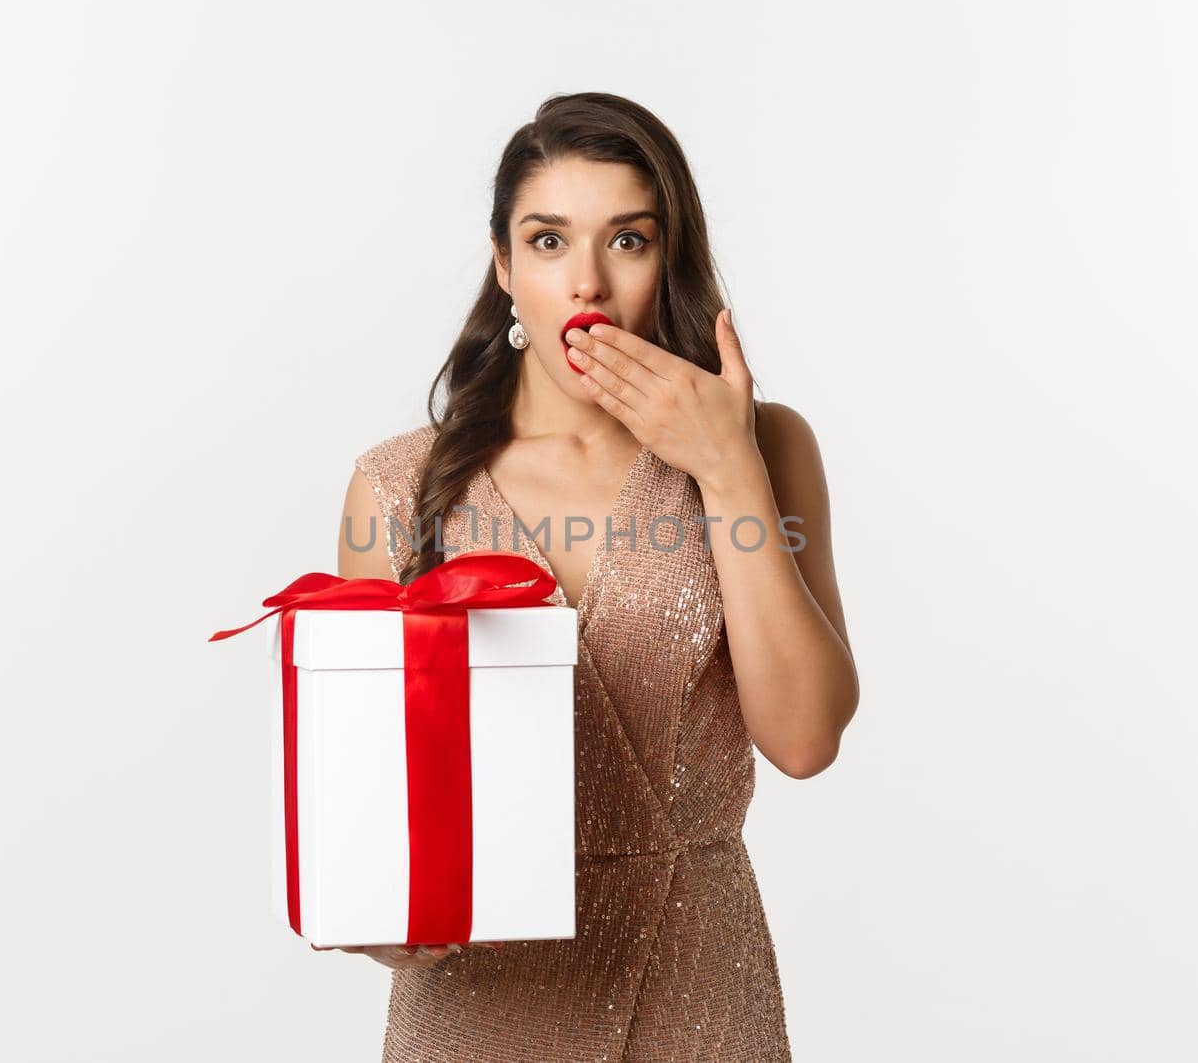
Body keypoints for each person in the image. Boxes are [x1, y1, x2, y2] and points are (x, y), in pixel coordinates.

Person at [325, 92, 858, 1062]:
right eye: (546, 240)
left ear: (671, 260)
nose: (586, 286)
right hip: (481, 999)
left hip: (696, 980)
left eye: (626, 241)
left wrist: (729, 467)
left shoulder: (766, 447)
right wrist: (383, 906)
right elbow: (373, 813)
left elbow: (805, 735)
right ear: (503, 267)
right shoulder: (397, 485)